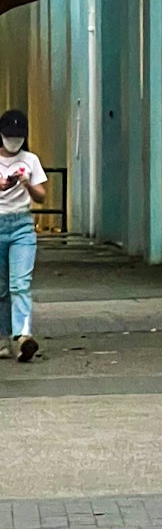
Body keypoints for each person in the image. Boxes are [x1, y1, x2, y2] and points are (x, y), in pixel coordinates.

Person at [0, 109, 46, 363]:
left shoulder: (31, 160)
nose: (13, 141)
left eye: (18, 137)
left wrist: (26, 183)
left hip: (22, 227)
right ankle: (2, 339)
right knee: (1, 288)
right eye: (9, 136)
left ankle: (24, 336)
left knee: (20, 284)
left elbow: (41, 196)